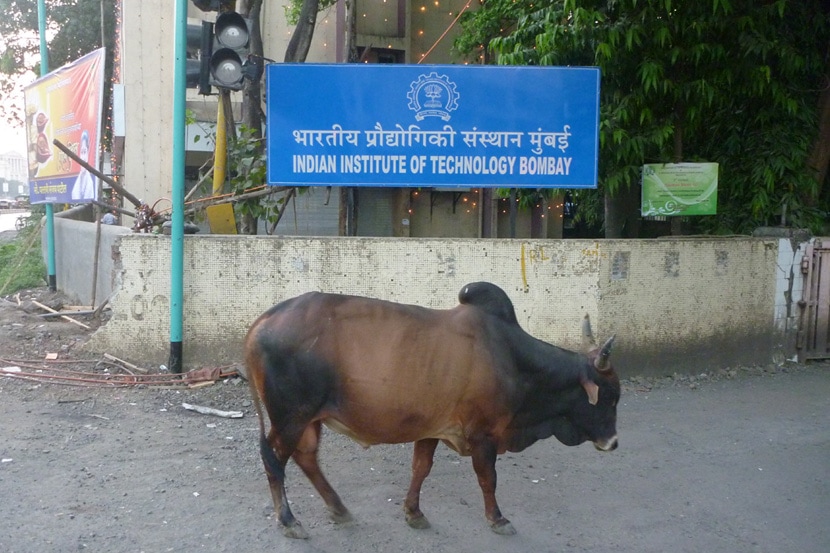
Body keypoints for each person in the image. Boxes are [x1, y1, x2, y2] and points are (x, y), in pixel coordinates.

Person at [71, 130, 96, 201]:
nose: (83, 158)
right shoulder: (76, 185)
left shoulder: (90, 183)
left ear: (88, 154)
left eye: (85, 152)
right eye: (81, 152)